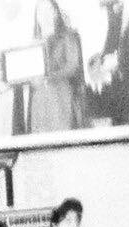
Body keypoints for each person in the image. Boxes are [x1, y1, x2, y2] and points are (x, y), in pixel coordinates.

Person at [23, 0, 87, 135]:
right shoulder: (33, 42)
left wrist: (49, 77)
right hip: (39, 99)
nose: (44, 15)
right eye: (40, 11)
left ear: (55, 12)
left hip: (60, 96)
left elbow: (72, 66)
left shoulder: (68, 36)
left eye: (48, 10)